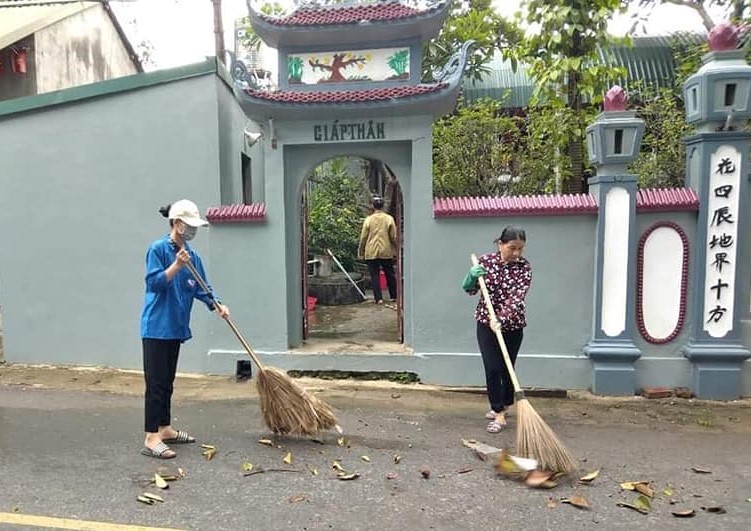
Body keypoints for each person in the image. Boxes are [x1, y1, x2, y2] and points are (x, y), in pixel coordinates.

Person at [140, 199, 230, 459]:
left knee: (167, 382)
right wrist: (176, 266)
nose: (193, 231)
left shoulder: (193, 256)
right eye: (189, 225)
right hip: (156, 326)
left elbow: (202, 287)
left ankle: (165, 428)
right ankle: (151, 437)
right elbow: (154, 284)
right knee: (155, 383)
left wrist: (217, 305)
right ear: (177, 224)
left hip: (176, 327)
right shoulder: (158, 249)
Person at [461, 225, 531, 434]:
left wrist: (501, 318)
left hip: (513, 325)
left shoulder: (524, 268)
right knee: (492, 367)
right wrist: (471, 277)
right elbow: (470, 290)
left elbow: (517, 297)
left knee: (507, 368)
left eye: (520, 248)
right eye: (512, 248)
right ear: (500, 244)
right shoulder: (485, 262)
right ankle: (498, 412)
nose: (516, 253)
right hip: (485, 323)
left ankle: (506, 402)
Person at [358, 195, 398, 304]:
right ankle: (394, 296)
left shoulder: (368, 220)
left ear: (373, 206)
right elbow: (393, 236)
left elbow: (363, 237)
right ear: (383, 205)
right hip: (386, 250)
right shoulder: (389, 219)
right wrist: (396, 249)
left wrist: (360, 252)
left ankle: (378, 298)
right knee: (390, 274)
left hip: (371, 251)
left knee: (374, 275)